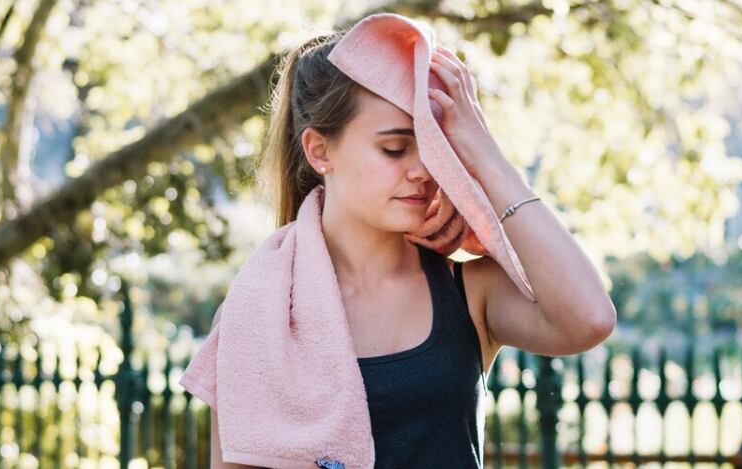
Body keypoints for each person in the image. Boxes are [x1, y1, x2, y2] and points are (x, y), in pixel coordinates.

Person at [209, 24, 617, 469]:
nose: (422, 170)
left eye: (434, 148)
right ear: (320, 151)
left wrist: (485, 153)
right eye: (395, 148)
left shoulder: (469, 292)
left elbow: (590, 320)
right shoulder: (259, 312)